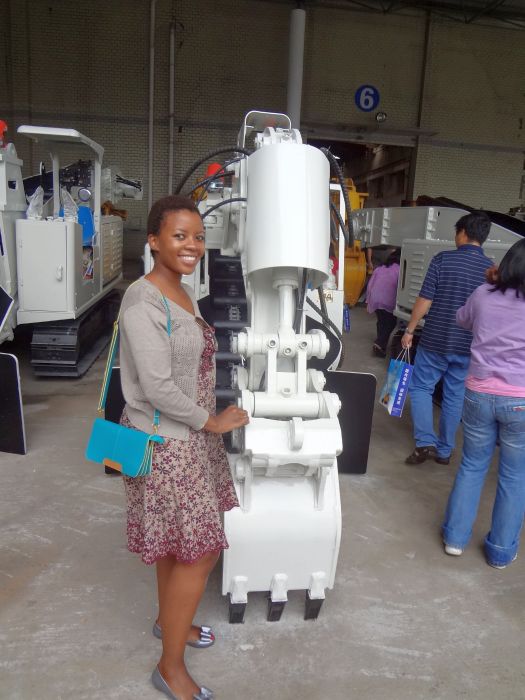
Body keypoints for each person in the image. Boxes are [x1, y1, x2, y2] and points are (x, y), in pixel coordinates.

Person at [118, 195, 249, 700]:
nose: (192, 245)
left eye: (197, 236)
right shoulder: (143, 301)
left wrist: (205, 426)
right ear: (154, 241)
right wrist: (212, 421)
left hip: (189, 438)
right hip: (165, 441)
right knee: (202, 549)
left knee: (179, 542)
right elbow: (156, 386)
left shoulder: (184, 291)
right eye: (179, 235)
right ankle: (169, 668)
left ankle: (169, 623)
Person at [442, 239, 525, 568]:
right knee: (514, 476)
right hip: (520, 400)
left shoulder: (482, 294)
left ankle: (454, 539)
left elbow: (462, 320)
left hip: (478, 392)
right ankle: (500, 551)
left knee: (473, 465)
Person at [401, 211, 493, 465]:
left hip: (435, 341)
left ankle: (424, 442)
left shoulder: (443, 259)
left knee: (421, 388)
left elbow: (425, 299)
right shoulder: (490, 269)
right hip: (468, 346)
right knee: (454, 396)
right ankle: (444, 451)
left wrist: (410, 329)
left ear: (462, 232)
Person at [365, 248, 400, 357]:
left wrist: (368, 300)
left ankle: (380, 341)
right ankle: (379, 344)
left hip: (375, 298)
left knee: (381, 320)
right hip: (388, 300)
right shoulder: (400, 270)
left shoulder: (380, 268)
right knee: (391, 322)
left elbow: (370, 285)